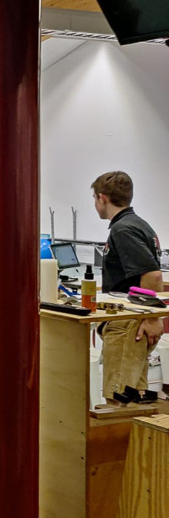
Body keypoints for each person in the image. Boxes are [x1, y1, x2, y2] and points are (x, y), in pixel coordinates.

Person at [91, 171, 165, 404]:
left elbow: (152, 275)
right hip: (131, 323)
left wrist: (152, 318)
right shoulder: (138, 224)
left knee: (119, 397)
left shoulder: (123, 229)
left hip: (128, 324)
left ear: (102, 198)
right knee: (133, 396)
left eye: (94, 198)